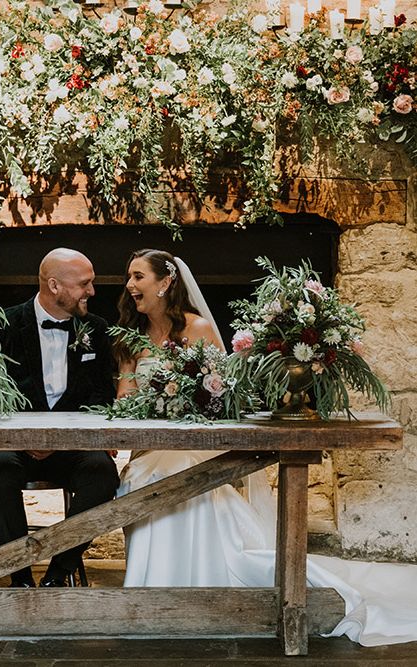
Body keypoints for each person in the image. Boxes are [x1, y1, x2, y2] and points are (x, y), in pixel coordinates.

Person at [115, 248, 417, 646]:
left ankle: (193, 587)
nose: (129, 285)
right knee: (144, 473)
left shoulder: (199, 327)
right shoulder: (129, 339)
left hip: (193, 442)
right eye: (130, 277)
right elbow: (122, 398)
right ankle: (151, 594)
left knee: (177, 469)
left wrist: (183, 402)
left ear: (166, 282)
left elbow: (223, 396)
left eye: (138, 276)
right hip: (146, 446)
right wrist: (144, 401)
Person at [0, 248, 119, 588]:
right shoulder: (1, 325)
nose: (92, 292)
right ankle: (20, 576)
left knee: (102, 472)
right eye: (84, 284)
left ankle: (58, 572)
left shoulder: (95, 329)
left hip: (70, 449)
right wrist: (27, 438)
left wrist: (60, 442)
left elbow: (101, 398)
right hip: (11, 448)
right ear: (54, 285)